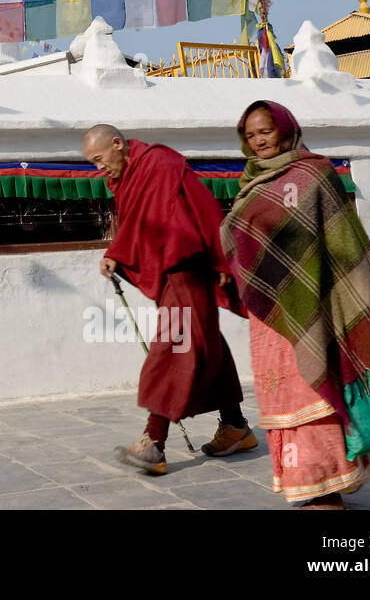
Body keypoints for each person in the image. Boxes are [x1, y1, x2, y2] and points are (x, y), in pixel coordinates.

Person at [219, 100, 370, 509]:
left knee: (316, 394)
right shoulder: (250, 183)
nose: (259, 140)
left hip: (320, 305)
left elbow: (342, 244)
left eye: (265, 130)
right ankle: (316, 479)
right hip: (273, 318)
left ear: (285, 127)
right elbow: (241, 241)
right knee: (288, 400)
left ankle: (329, 487)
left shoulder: (315, 173)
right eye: (250, 135)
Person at [83, 124, 258, 475]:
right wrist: (117, 251)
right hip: (173, 272)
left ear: (117, 144)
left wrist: (218, 258)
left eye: (99, 159)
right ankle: (235, 425)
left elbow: (204, 206)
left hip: (188, 266)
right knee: (205, 344)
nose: (98, 168)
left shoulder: (160, 164)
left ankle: (154, 441)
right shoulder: (130, 176)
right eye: (92, 163)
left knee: (174, 344)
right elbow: (139, 222)